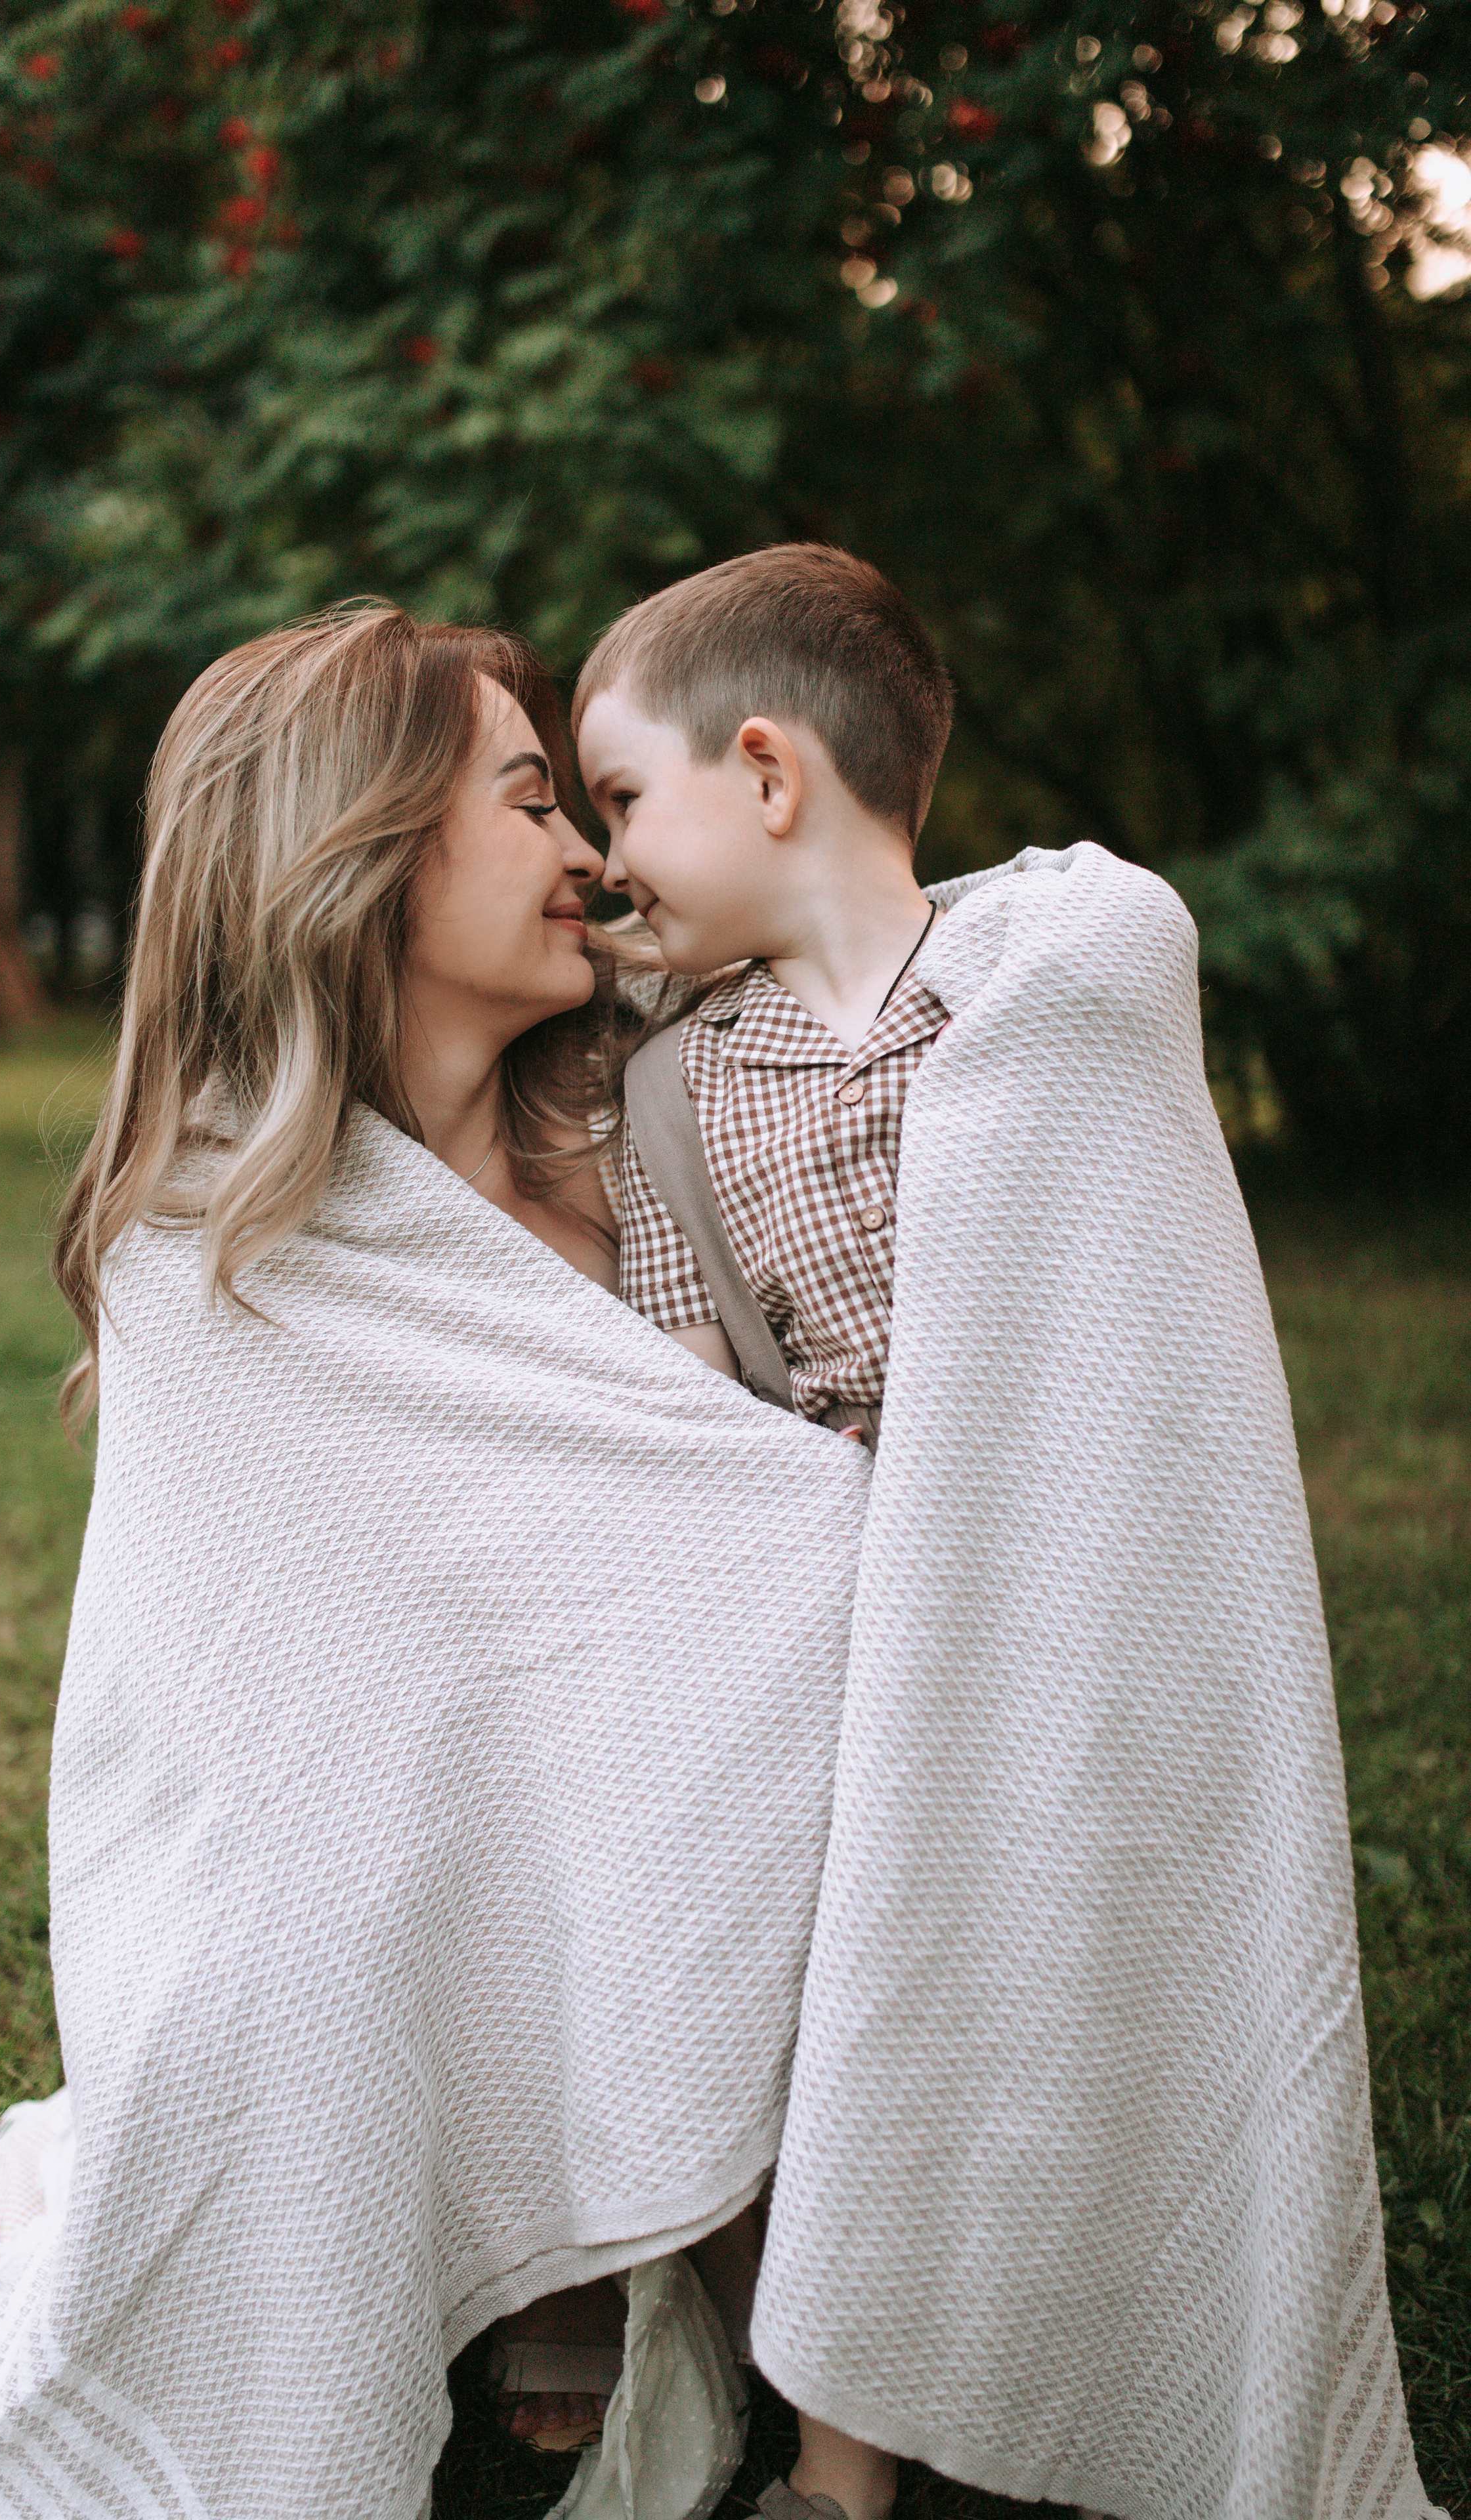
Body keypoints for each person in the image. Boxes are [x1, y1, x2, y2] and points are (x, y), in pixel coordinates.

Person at [0, 603, 874, 2520]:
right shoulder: (218, 1237)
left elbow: (738, 1535)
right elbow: (256, 1720)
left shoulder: (670, 1136)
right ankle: (501, 2213)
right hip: (365, 1864)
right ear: (366, 844)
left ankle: (675, 2208)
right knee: (349, 1832)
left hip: (671, 1812)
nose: (589, 853)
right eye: (529, 799)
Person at [574, 545, 1445, 2520]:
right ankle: (844, 2460)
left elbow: (1116, 1309)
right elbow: (690, 1390)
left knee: (1073, 1978)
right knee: (864, 2008)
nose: (609, 858)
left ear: (768, 772)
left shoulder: (1057, 972)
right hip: (854, 1597)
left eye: (623, 797)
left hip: (1068, 1590)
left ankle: (1127, 2333)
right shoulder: (674, 1085)